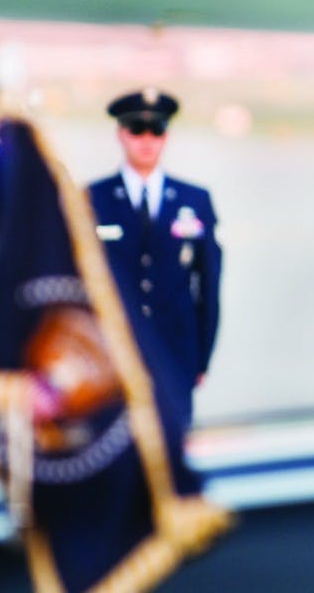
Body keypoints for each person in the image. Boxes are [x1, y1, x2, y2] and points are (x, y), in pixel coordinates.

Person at [88, 88, 221, 424]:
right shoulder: (91, 200)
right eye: (136, 130)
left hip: (175, 357)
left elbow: (209, 287)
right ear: (120, 134)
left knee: (174, 458)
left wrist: (201, 359)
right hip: (111, 358)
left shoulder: (195, 200)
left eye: (156, 130)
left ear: (166, 136)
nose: (146, 139)